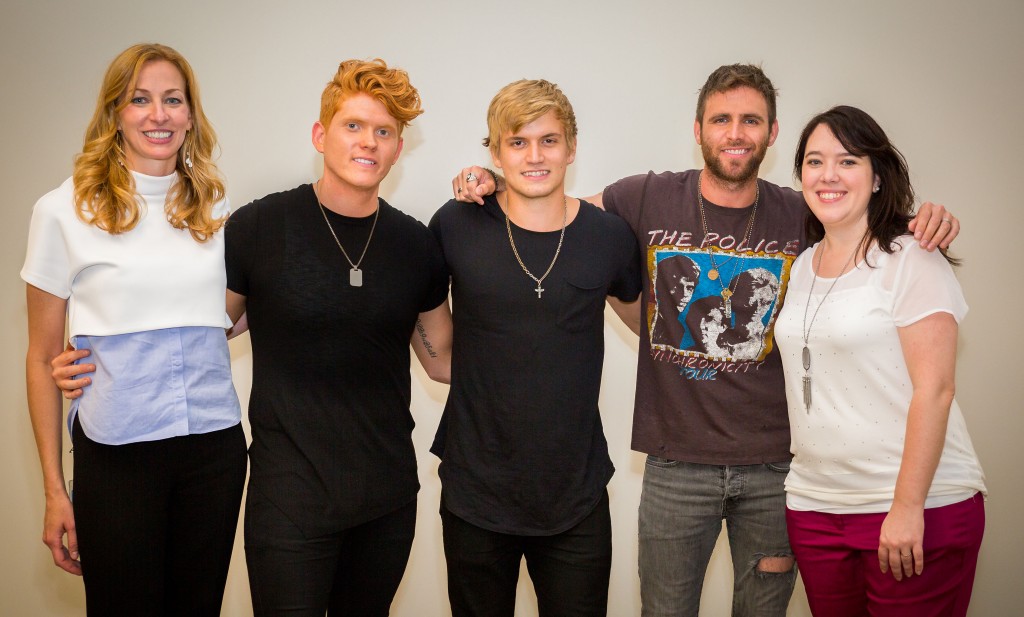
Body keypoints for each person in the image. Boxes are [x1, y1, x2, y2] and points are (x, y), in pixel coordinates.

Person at [451, 64, 960, 616]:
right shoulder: (641, 197)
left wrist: (923, 220)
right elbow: (550, 209)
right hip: (674, 466)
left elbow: (865, 219)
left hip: (775, 468)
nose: (735, 133)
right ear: (698, 130)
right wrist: (492, 180)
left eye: (750, 120)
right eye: (721, 119)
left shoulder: (803, 211)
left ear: (772, 132)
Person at [52, 58, 453, 616]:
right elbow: (200, 320)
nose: (369, 142)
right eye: (353, 126)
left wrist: (502, 200)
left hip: (386, 501)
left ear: (399, 147)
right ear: (321, 134)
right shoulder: (259, 228)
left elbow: (443, 360)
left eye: (384, 131)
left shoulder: (416, 244)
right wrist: (92, 349)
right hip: (288, 502)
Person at [22, 43, 247, 615]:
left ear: (191, 114)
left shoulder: (216, 209)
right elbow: (41, 355)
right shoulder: (63, 209)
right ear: (114, 112)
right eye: (139, 99)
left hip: (214, 452)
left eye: (173, 100)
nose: (159, 114)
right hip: (117, 457)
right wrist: (54, 490)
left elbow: (223, 317)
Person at [430, 79, 641, 616]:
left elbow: (649, 324)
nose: (535, 155)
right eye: (517, 143)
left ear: (572, 147)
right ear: (495, 151)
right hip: (476, 489)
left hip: (576, 493)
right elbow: (421, 318)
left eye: (549, 140)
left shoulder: (608, 236)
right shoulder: (456, 225)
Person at [774, 105, 986, 617]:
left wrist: (907, 507)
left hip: (913, 505)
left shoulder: (913, 258)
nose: (828, 175)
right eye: (814, 161)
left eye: (847, 161)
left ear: (876, 177)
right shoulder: (803, 265)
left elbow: (935, 390)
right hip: (816, 506)